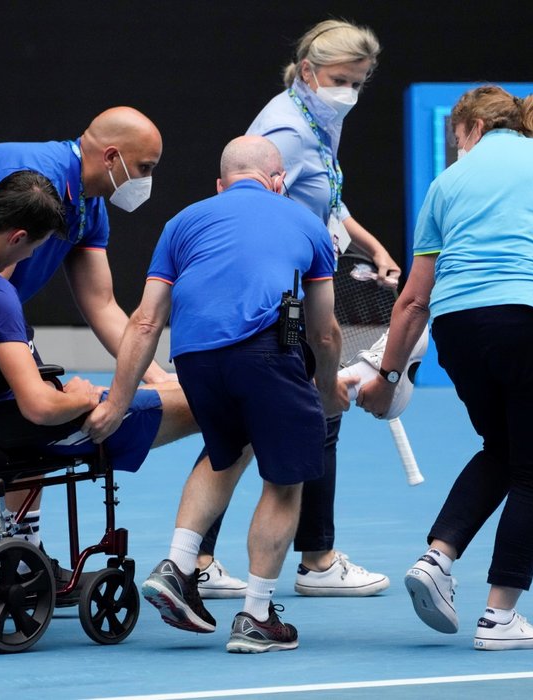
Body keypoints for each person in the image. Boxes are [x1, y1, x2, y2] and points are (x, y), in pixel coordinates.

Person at [357, 85, 533, 651]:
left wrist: (387, 378)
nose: (455, 148)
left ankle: (438, 556)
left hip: (460, 331)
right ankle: (499, 618)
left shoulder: (446, 184)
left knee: (503, 449)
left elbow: (415, 299)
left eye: (455, 138)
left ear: (474, 129)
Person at [0, 107, 174, 617]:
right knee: (3, 409)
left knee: (21, 395)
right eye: (146, 167)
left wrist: (151, 377)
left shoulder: (90, 206)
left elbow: (103, 305)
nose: (146, 180)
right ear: (112, 156)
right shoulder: (26, 182)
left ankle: (19, 560)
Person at [84, 136, 352, 653]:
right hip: (268, 355)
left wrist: (118, 402)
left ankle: (179, 566)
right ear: (279, 183)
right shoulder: (307, 223)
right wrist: (325, 391)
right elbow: (324, 333)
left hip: (195, 359)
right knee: (285, 482)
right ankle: (256, 617)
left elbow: (145, 322)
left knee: (225, 450)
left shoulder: (181, 222)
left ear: (220, 185)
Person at [195, 18, 396, 599]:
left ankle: (230, 559)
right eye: (340, 79)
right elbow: (248, 208)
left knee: (283, 425)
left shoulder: (318, 118)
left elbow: (323, 195)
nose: (350, 92)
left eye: (360, 81)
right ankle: (315, 560)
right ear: (308, 71)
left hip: (292, 285)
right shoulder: (286, 129)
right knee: (307, 419)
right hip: (276, 297)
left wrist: (372, 245)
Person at [0, 170, 198, 476]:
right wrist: (83, 397)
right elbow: (38, 407)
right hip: (5, 432)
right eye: (32, 248)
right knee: (208, 403)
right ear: (17, 237)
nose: (29, 255)